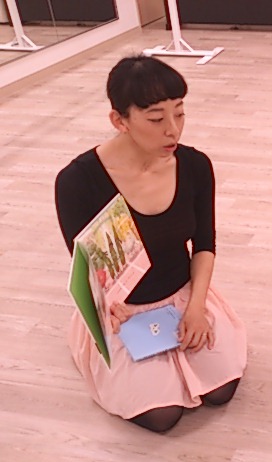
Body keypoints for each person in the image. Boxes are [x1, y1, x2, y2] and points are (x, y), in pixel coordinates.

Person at [54, 55, 247, 433]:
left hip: (184, 293)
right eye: (156, 119)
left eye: (180, 113)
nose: (173, 130)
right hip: (125, 308)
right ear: (119, 120)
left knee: (221, 389)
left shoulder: (194, 165)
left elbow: (204, 244)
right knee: (162, 415)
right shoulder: (76, 182)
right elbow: (87, 270)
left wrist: (196, 308)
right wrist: (112, 309)